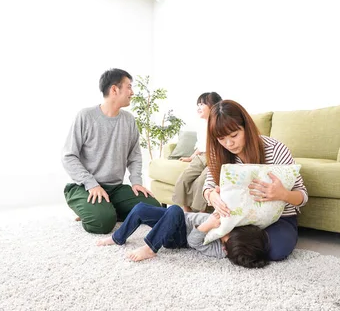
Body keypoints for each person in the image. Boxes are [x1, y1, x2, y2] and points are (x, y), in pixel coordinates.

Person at [202, 100, 309, 262]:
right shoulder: (219, 154)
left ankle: (229, 239)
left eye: (234, 135)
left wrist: (283, 194)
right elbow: (208, 186)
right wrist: (211, 196)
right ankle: (231, 238)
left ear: (246, 127)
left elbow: (303, 196)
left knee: (276, 251)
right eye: (221, 138)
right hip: (239, 219)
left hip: (278, 219)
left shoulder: (275, 149)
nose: (229, 144)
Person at [62, 68, 161, 234]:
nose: (132, 92)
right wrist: (91, 184)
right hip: (84, 187)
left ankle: (103, 208)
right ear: (114, 89)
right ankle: (92, 209)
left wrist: (136, 182)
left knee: (154, 208)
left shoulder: (128, 120)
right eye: (129, 87)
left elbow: (134, 156)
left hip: (115, 189)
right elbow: (69, 156)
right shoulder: (85, 116)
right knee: (102, 223)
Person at [96, 202, 269, 268]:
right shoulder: (232, 226)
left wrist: (207, 226)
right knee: (140, 208)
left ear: (226, 250)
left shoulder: (220, 250)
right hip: (174, 220)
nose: (223, 236)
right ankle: (117, 237)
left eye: (225, 241)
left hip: (177, 237)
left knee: (174, 210)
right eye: (229, 234)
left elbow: (193, 242)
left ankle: (150, 247)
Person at [172, 92, 222, 212]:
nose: (199, 107)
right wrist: (191, 157)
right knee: (184, 178)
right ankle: (186, 211)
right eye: (198, 104)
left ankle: (201, 213)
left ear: (214, 106)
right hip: (201, 156)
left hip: (215, 158)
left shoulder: (220, 124)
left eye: (202, 104)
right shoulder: (201, 125)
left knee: (202, 181)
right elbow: (201, 146)